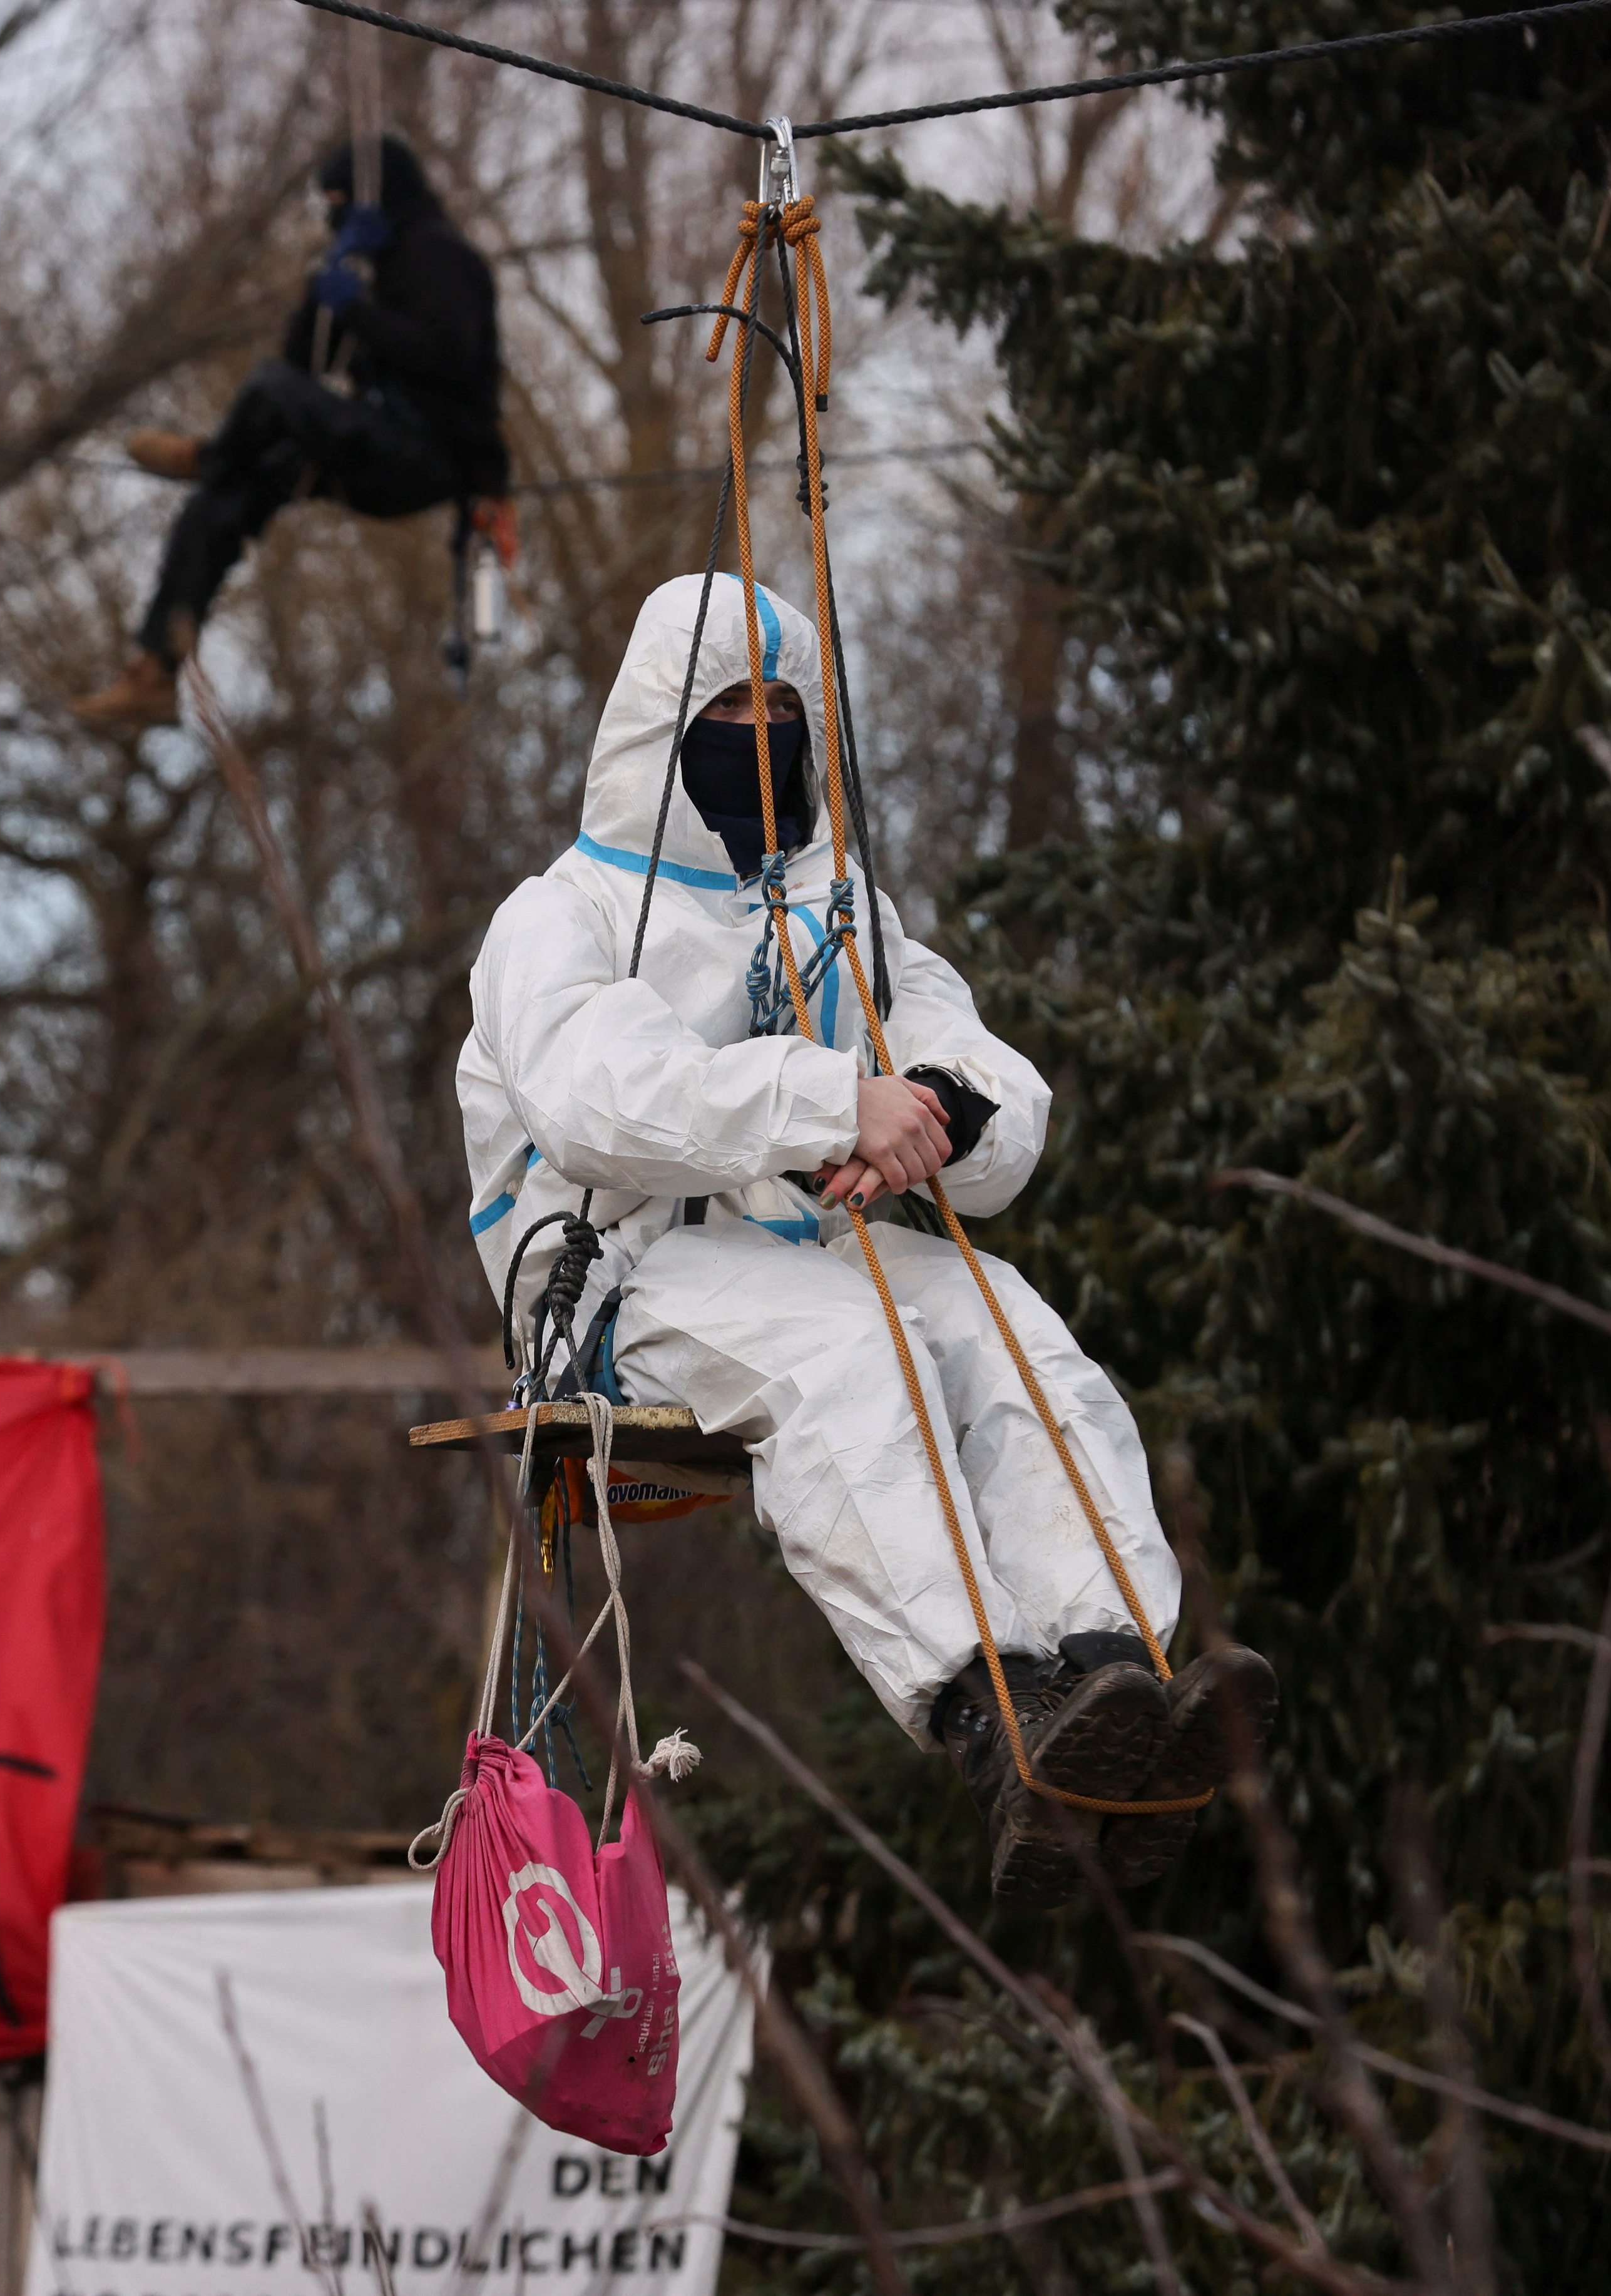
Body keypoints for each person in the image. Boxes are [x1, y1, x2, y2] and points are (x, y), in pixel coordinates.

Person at [461, 575, 1277, 1905]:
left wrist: (944, 1110)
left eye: (786, 711)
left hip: (799, 1252)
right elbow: (599, 1097)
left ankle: (1106, 1672)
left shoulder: (840, 912)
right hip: (619, 1279)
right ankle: (984, 1711)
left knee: (994, 1315)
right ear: (655, 731)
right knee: (846, 1348)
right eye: (730, 707)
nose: (763, 733)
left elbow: (978, 1068)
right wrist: (828, 1100)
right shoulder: (559, 918)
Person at [69, 135, 507, 734]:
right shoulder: (364, 263)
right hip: (370, 441)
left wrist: (359, 310)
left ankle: (211, 455)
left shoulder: (440, 256)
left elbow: (448, 358)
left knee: (267, 390)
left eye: (337, 200)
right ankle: (154, 671)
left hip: (428, 455)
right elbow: (306, 361)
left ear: (372, 197)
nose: (329, 213)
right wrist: (325, 287)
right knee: (220, 504)